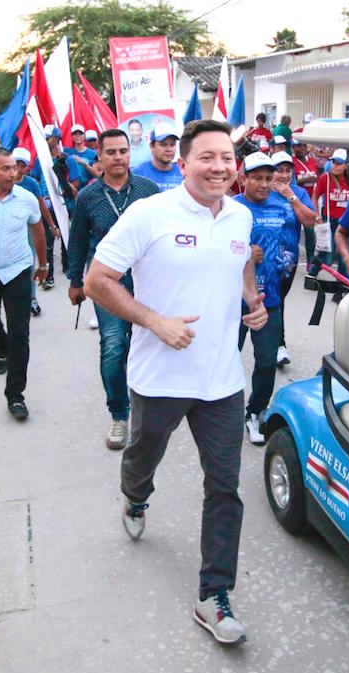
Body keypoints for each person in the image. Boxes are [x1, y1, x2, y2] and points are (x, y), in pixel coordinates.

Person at [84, 119, 268, 645]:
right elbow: (99, 281)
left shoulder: (239, 216)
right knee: (143, 456)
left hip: (221, 382)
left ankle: (214, 595)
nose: (220, 167)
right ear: (182, 163)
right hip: (160, 378)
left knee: (224, 487)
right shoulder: (149, 213)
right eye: (207, 157)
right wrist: (153, 321)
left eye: (227, 158)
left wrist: (251, 303)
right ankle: (135, 496)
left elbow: (238, 269)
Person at [67, 128, 161, 450]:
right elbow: (78, 241)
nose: (119, 157)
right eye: (111, 152)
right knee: (113, 346)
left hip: (147, 283)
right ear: (100, 158)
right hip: (106, 283)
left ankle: (148, 409)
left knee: (145, 345)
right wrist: (75, 281)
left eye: (123, 151)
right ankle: (120, 415)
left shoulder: (149, 190)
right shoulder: (88, 197)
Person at [0, 148, 47, 419]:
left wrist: (43, 264)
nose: (13, 173)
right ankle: (1, 345)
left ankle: (15, 395)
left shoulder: (26, 198)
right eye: (5, 169)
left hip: (17, 272)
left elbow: (37, 229)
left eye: (14, 168)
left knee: (21, 335)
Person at [233, 152, 296, 444]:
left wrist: (283, 260)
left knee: (267, 361)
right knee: (226, 358)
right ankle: (219, 410)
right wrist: (245, 253)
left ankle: (256, 411)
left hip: (268, 300)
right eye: (256, 177)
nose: (263, 183)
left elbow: (289, 247)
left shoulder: (282, 208)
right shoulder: (229, 209)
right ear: (243, 178)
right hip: (231, 302)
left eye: (268, 178)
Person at [270, 150, 316, 367]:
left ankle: (274, 343)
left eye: (288, 170)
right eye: (279, 170)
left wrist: (291, 196)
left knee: (278, 302)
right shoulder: (262, 191)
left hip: (289, 260)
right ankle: (278, 345)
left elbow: (310, 221)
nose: (283, 175)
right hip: (262, 259)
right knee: (273, 301)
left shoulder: (298, 193)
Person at [11, 147, 56, 317]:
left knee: (29, 263)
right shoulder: (2, 182)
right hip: (9, 231)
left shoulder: (31, 184)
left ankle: (31, 298)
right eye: (16, 164)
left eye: (22, 165)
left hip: (28, 229)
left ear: (27, 167)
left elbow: (42, 207)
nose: (18, 168)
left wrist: (51, 225)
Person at [42, 124, 79, 290]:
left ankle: (70, 265)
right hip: (49, 205)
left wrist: (66, 187)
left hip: (67, 203)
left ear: (57, 139)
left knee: (68, 235)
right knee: (49, 238)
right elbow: (38, 179)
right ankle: (48, 275)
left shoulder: (67, 159)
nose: (48, 141)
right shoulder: (41, 161)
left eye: (50, 138)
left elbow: (76, 181)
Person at [312, 148, 349, 267]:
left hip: (346, 222)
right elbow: (315, 197)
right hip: (330, 220)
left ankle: (342, 283)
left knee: (343, 256)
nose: (335, 166)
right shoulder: (325, 178)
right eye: (333, 162)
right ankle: (313, 273)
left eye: (339, 163)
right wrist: (317, 216)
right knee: (327, 258)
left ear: (346, 165)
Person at [131, 125, 184, 191]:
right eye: (163, 144)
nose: (169, 149)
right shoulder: (137, 173)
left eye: (172, 144)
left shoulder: (183, 172)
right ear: (151, 146)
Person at [292, 138, 318, 261]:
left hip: (309, 200)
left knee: (309, 231)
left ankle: (310, 260)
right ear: (293, 148)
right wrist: (305, 180)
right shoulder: (292, 162)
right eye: (296, 146)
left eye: (302, 146)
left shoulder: (312, 161)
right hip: (295, 199)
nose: (300, 149)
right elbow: (291, 182)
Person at [64, 124, 102, 189]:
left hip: (90, 190)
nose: (78, 136)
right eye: (75, 134)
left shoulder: (93, 154)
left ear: (84, 136)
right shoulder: (67, 151)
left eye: (80, 133)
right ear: (72, 136)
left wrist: (84, 163)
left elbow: (97, 174)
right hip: (74, 191)